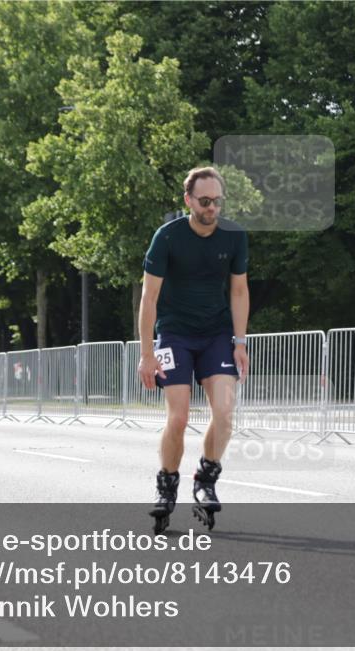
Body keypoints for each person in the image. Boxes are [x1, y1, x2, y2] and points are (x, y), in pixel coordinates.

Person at [137, 166, 249, 533]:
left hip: (216, 333)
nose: (212, 208)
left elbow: (238, 291)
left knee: (225, 412)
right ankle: (167, 485)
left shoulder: (234, 237)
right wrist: (147, 354)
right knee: (179, 417)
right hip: (175, 335)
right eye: (204, 201)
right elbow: (149, 297)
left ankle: (206, 478)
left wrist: (240, 341)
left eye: (217, 201)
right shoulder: (167, 238)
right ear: (188, 200)